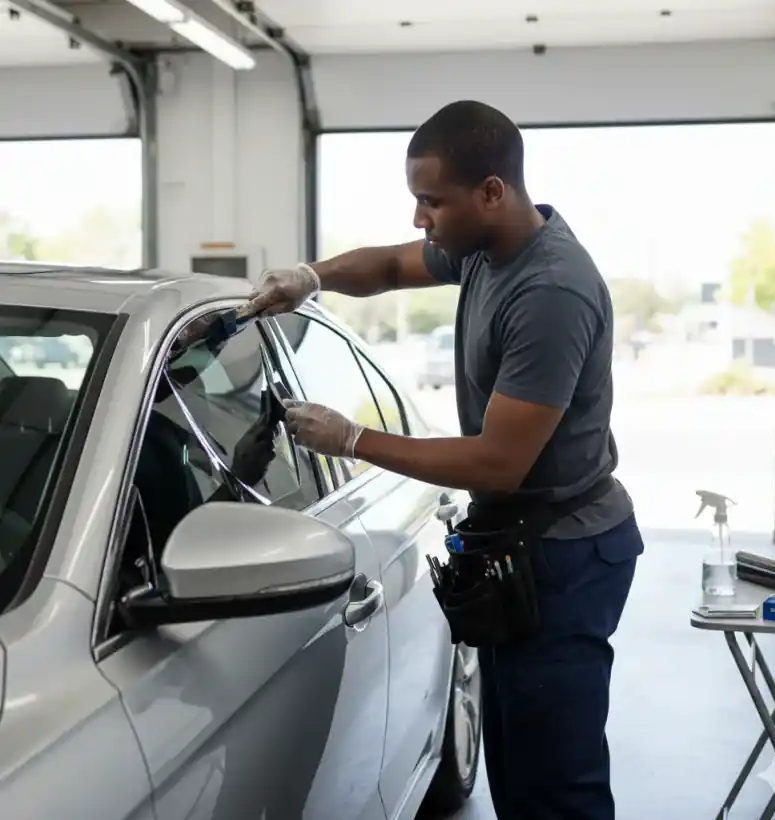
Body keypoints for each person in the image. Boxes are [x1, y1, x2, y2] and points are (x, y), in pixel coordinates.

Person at [245, 100, 644, 820]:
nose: (420, 219)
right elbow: (392, 267)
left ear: (492, 191)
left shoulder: (549, 290)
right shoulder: (488, 247)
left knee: (559, 785)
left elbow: (497, 464)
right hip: (523, 544)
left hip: (565, 555)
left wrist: (353, 440)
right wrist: (312, 277)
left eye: (431, 201)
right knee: (520, 768)